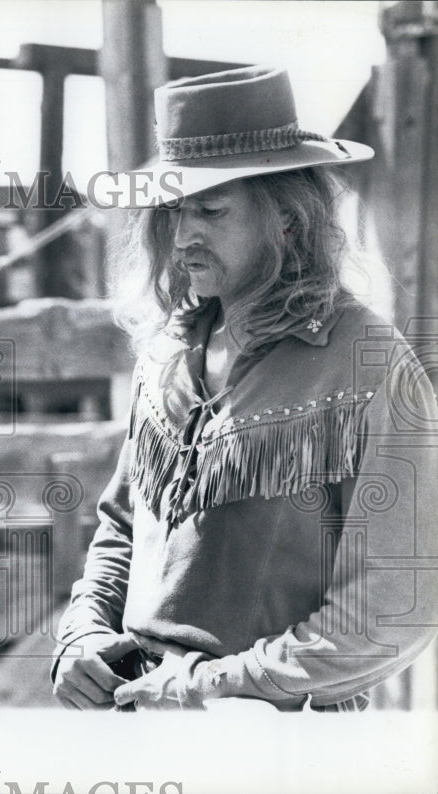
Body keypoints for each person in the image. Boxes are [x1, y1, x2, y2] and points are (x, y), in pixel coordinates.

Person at [51, 65, 438, 711]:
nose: (182, 237)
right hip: (138, 722)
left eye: (210, 210)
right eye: (173, 210)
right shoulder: (172, 348)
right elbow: (123, 525)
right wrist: (82, 634)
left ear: (287, 218)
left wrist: (210, 687)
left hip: (279, 744)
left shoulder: (367, 362)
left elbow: (393, 608)